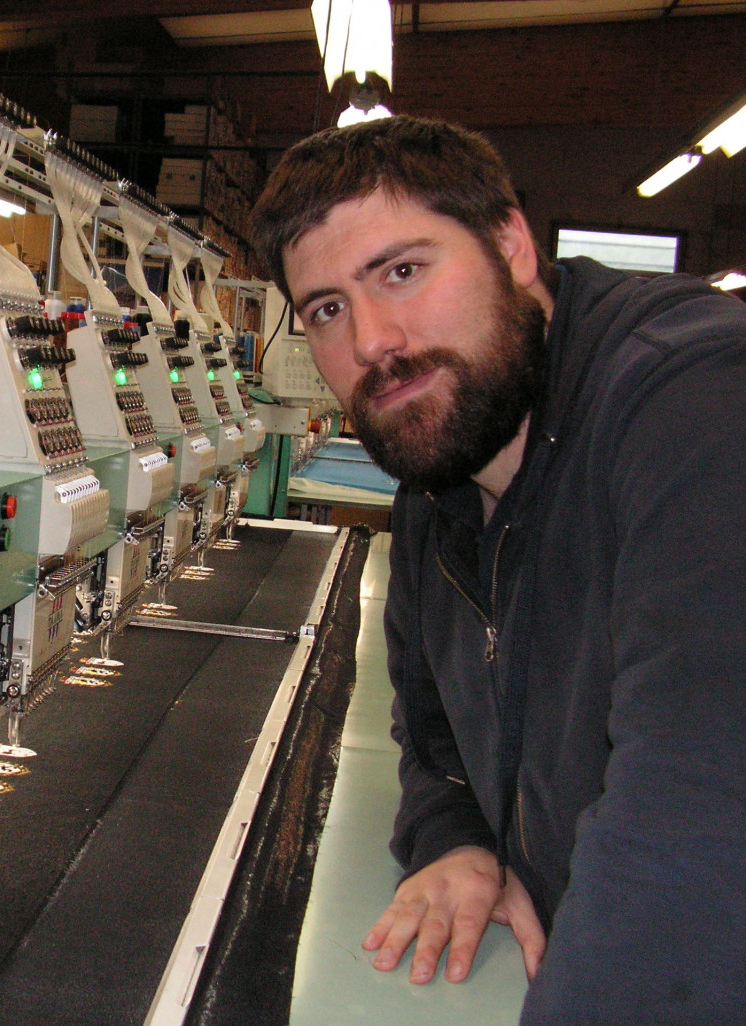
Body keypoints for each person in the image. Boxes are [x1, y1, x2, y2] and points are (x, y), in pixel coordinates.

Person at [252, 115, 746, 1024]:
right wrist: (455, 836)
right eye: (326, 309)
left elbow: (704, 808)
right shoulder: (439, 479)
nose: (371, 341)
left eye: (402, 271)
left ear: (511, 244)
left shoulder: (696, 399)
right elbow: (429, 729)